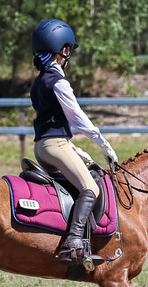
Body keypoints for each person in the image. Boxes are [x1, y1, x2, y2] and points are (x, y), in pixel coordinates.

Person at [30, 18, 119, 261]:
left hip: (43, 146)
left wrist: (80, 151)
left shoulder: (39, 80)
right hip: (55, 146)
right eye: (68, 50)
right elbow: (76, 117)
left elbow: (53, 122)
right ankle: (74, 242)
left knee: (83, 177)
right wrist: (102, 142)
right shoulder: (58, 81)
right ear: (64, 50)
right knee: (90, 187)